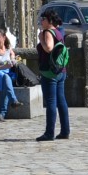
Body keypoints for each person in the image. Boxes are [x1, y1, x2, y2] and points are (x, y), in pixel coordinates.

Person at [36, 11, 70, 141]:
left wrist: (41, 40)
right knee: (61, 101)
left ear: (49, 20)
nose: (41, 21)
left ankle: (49, 133)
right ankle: (65, 131)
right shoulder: (58, 32)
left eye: (43, 19)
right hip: (61, 71)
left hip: (50, 72)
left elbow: (49, 48)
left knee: (51, 101)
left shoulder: (48, 32)